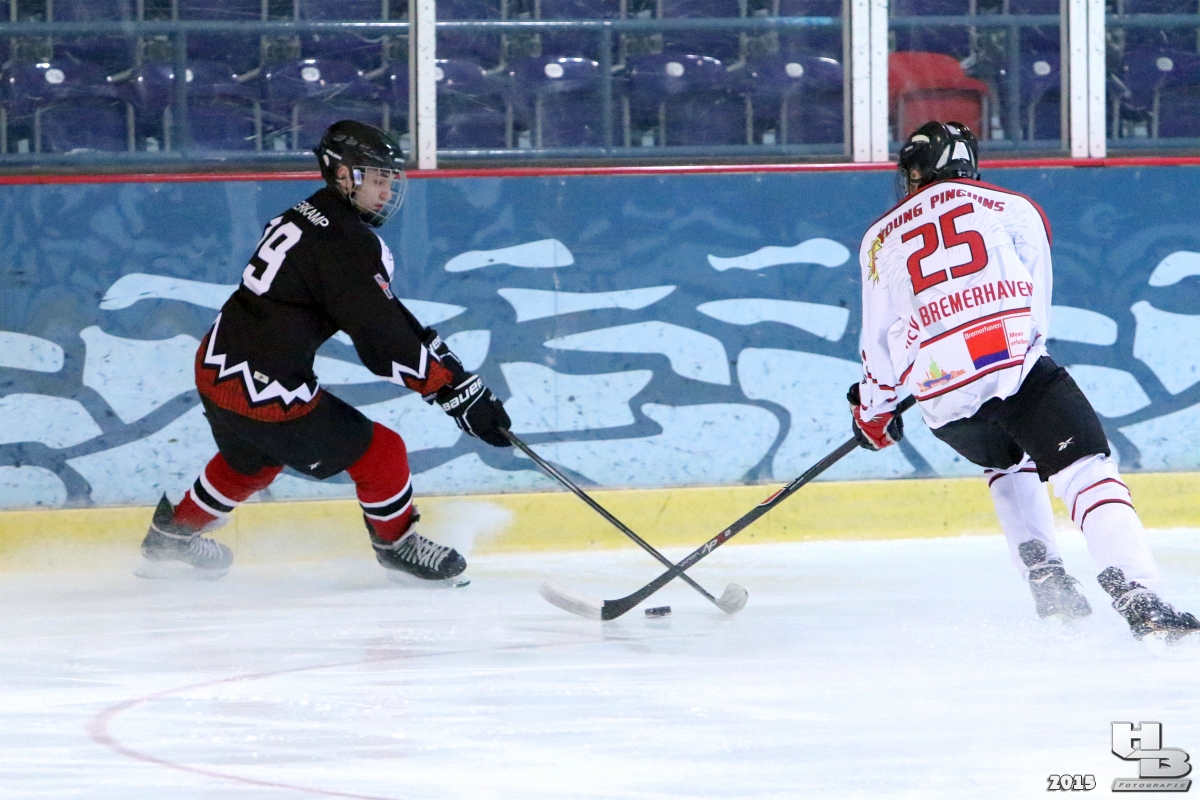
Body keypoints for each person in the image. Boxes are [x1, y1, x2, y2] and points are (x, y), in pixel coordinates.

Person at [849, 120, 1199, 644]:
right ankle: (1139, 594)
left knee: (1006, 463)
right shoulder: (1013, 208)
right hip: (1014, 367)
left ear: (920, 170)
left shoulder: (879, 239)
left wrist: (875, 412)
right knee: (1085, 469)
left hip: (943, 398)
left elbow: (880, 340)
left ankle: (1046, 578)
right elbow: (1035, 308)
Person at [137, 120, 511, 584]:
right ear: (343, 174)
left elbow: (383, 316)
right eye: (377, 179)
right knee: (382, 453)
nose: (386, 191)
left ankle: (171, 538)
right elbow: (383, 337)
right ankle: (398, 547)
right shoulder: (345, 243)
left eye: (389, 180)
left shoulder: (308, 213)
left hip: (218, 365)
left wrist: (454, 381)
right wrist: (455, 391)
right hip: (264, 389)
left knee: (251, 461)